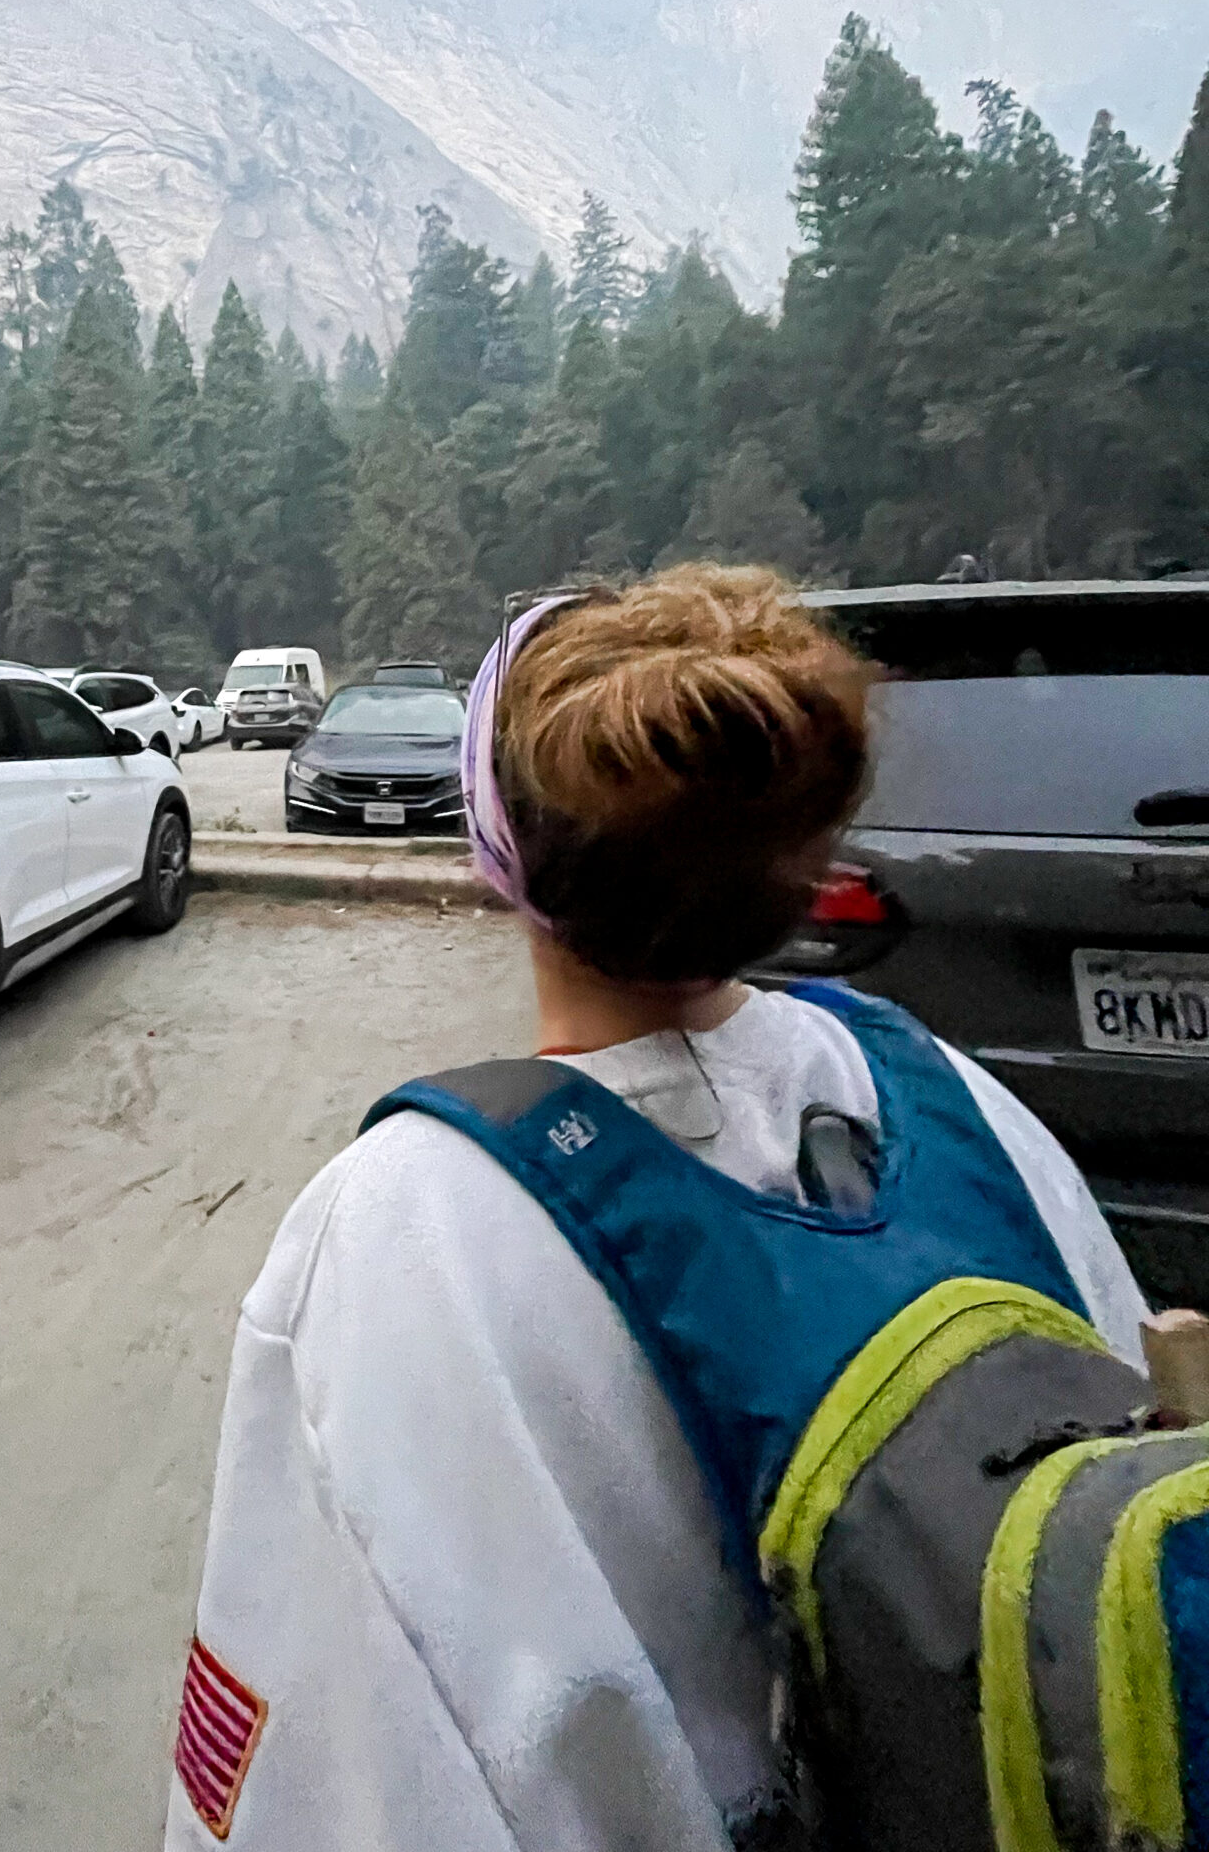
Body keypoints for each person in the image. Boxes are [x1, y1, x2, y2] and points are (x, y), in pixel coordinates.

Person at [164, 565, 1145, 1851]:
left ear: (496, 851)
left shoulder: (405, 1221)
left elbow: (328, 1770)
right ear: (797, 865)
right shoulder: (952, 1098)